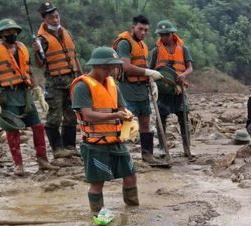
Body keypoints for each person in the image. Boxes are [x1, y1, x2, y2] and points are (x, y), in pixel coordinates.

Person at [0, 18, 59, 176]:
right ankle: (18, 165)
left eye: (13, 31)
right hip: (7, 94)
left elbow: (29, 72)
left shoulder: (22, 48)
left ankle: (42, 159)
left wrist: (39, 94)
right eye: (7, 32)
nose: (11, 34)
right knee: (12, 130)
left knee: (38, 126)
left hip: (24, 93)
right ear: (1, 34)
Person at [70, 47, 139, 213]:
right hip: (95, 144)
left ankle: (133, 209)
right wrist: (116, 116)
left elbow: (122, 107)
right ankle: (97, 213)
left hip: (116, 141)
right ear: (97, 66)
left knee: (130, 175)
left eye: (113, 67)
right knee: (97, 182)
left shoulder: (111, 84)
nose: (111, 71)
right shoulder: (82, 86)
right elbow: (87, 115)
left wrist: (129, 118)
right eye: (107, 67)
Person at [113, 15, 165, 165]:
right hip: (127, 88)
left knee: (145, 121)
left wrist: (151, 80)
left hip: (142, 88)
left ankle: (147, 155)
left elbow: (142, 66)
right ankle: (120, 155)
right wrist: (148, 73)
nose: (143, 32)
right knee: (125, 120)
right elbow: (126, 67)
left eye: (146, 30)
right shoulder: (124, 43)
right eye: (140, 29)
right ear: (133, 28)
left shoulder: (143, 45)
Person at [32, 2, 82, 159]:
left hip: (71, 79)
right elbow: (40, 64)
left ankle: (70, 146)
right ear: (44, 19)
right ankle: (57, 149)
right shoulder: (42, 39)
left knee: (71, 114)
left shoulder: (65, 33)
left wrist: (81, 76)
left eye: (56, 16)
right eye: (51, 17)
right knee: (54, 115)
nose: (55, 19)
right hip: (55, 82)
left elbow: (74, 57)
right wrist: (36, 51)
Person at [148, 20, 193, 157]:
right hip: (163, 90)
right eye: (161, 35)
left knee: (183, 117)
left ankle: (187, 148)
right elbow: (150, 70)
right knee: (161, 118)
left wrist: (183, 75)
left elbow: (190, 67)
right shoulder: (156, 51)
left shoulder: (183, 49)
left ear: (172, 34)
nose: (164, 37)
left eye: (166, 34)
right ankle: (162, 148)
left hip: (179, 89)